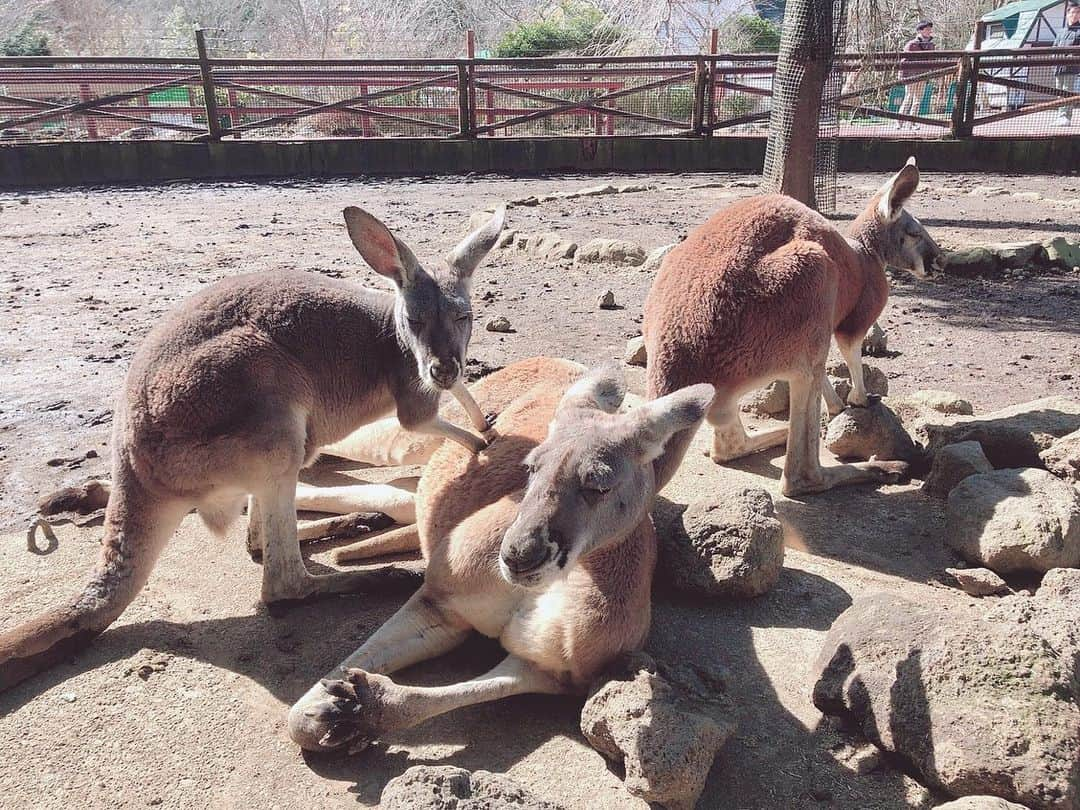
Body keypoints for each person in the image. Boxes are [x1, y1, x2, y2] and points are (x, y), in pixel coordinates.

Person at [897, 20, 936, 130]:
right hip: (911, 76)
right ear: (920, 30)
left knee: (918, 100)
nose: (929, 31)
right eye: (927, 29)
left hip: (923, 76)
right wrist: (902, 76)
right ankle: (899, 122)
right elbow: (903, 61)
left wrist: (931, 73)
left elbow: (933, 61)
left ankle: (912, 123)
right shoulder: (911, 44)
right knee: (908, 97)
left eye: (930, 29)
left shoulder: (931, 45)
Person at [1054, 0, 1080, 126]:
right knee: (1059, 92)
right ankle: (1060, 116)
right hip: (1058, 68)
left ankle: (1066, 117)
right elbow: (1054, 47)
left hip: (1071, 68)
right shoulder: (1061, 32)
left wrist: (1070, 57)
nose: (1074, 15)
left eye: (1077, 12)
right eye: (1072, 12)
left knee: (1067, 91)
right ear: (1067, 14)